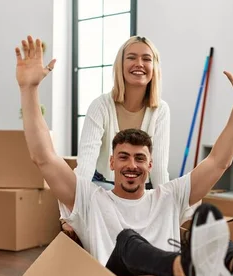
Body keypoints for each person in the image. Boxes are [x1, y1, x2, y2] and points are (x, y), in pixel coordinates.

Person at [15, 35, 233, 276]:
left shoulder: (169, 196)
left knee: (214, 241)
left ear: (150, 166)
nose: (132, 165)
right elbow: (44, 157)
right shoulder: (90, 200)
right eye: (123, 157)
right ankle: (189, 269)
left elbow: (219, 162)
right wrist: (29, 90)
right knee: (128, 240)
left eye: (140, 159)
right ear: (111, 162)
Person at [61, 35, 171, 239]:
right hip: (103, 185)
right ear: (120, 65)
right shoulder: (100, 106)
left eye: (146, 59)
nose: (139, 64)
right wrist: (72, 212)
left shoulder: (161, 110)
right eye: (132, 57)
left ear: (154, 67)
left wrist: (167, 210)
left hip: (138, 186)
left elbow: (158, 170)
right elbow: (85, 166)